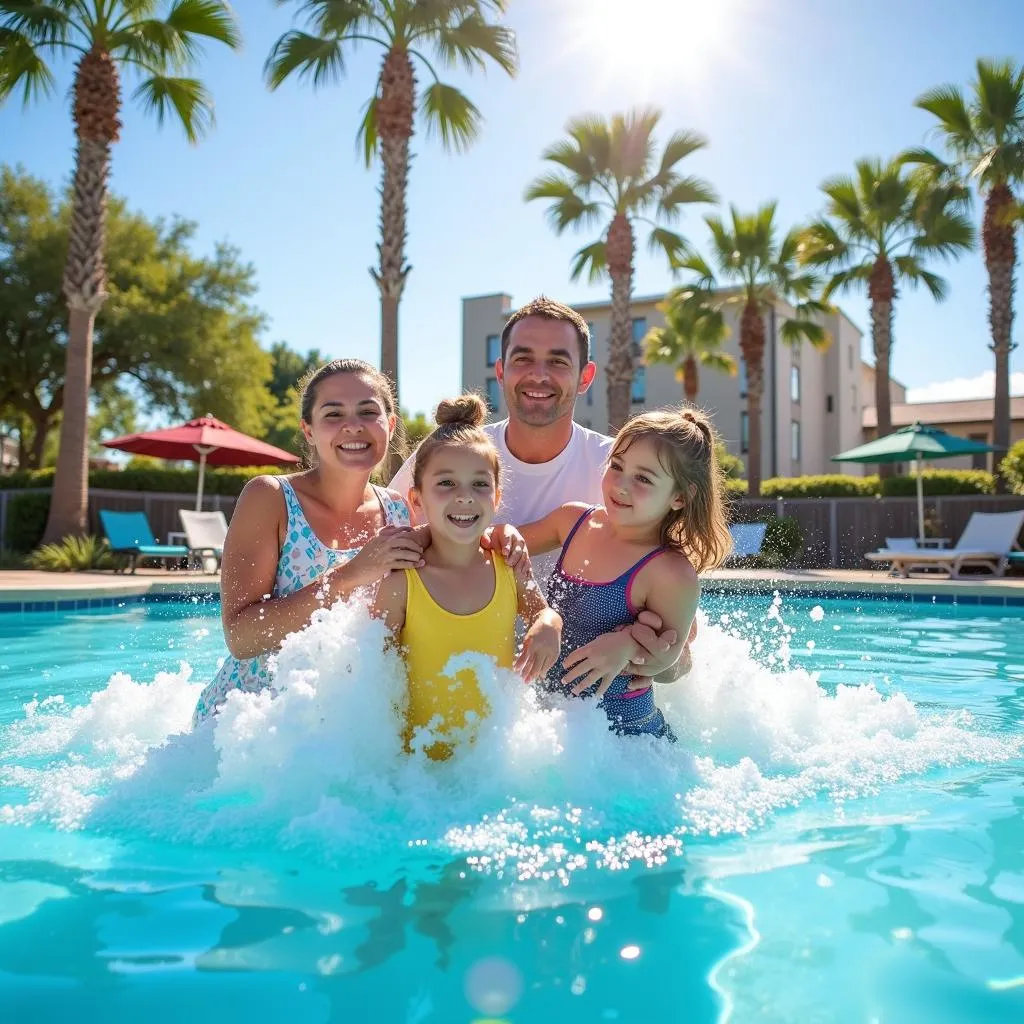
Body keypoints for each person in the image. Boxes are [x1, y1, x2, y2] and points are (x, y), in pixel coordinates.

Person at [390, 295, 684, 677]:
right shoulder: (447, 458)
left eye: (558, 361)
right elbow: (378, 570)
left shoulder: (622, 474)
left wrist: (630, 649)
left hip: (573, 701)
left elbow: (679, 656)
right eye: (523, 358)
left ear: (585, 377)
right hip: (454, 678)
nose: (539, 374)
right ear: (501, 371)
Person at [192, 359, 424, 725]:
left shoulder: (396, 509)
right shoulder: (271, 498)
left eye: (368, 411)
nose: (353, 426)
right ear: (309, 430)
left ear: (389, 426)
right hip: (248, 729)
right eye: (333, 414)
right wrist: (350, 575)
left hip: (334, 728)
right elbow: (241, 637)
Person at [518, 407, 732, 739]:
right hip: (558, 733)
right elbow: (499, 547)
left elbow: (670, 661)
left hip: (630, 741)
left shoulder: (670, 573)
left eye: (643, 478)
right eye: (616, 466)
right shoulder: (572, 522)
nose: (620, 484)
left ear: (679, 496)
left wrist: (628, 645)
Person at [372, 395, 562, 761]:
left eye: (479, 484)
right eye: (446, 484)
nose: (464, 497)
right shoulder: (403, 581)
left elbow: (542, 613)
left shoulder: (507, 566)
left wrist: (550, 625)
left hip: (493, 765)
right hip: (418, 770)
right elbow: (372, 679)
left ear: (497, 496)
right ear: (417, 498)